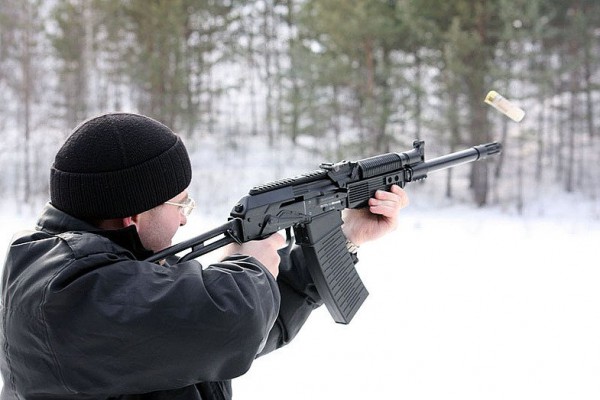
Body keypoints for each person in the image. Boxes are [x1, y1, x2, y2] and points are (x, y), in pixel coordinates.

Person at [0, 113, 409, 400]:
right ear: (132, 214)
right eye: (181, 204)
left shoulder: (111, 268)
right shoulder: (66, 292)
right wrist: (247, 265)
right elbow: (228, 323)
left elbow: (225, 338)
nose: (182, 220)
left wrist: (344, 237)